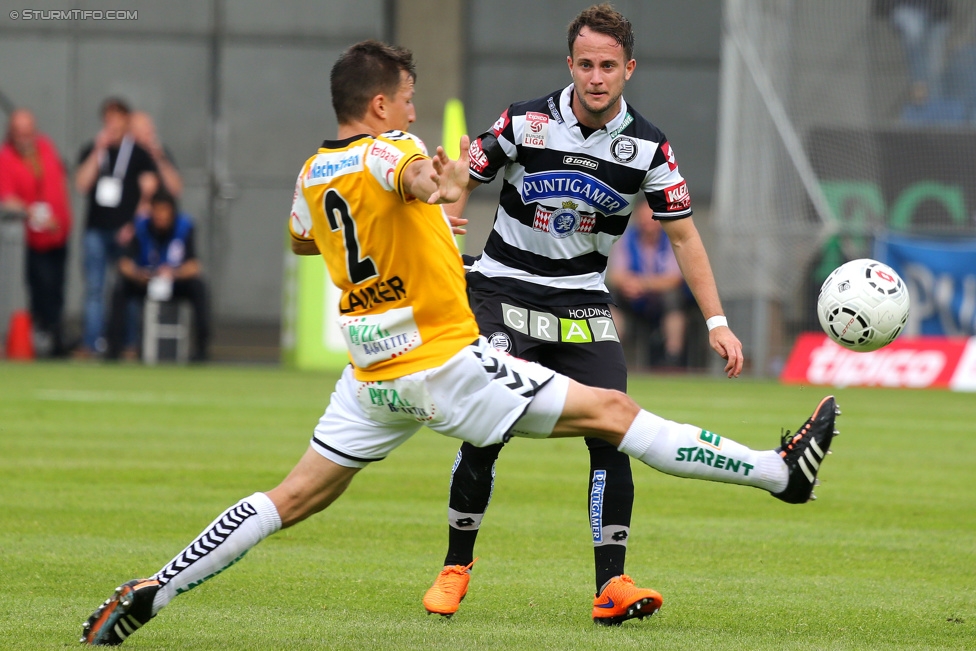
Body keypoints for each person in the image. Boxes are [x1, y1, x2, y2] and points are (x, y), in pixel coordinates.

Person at [80, 39, 838, 646]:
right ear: (380, 106)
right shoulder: (390, 151)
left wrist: (417, 221)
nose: (412, 107)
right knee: (614, 412)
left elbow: (306, 239)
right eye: (406, 98)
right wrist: (433, 187)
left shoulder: (314, 172)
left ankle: (158, 585)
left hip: (371, 371)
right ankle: (780, 473)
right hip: (442, 361)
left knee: (291, 495)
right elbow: (410, 173)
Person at [422, 4, 742, 625]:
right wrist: (449, 188)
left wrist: (717, 322)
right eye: (586, 64)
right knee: (488, 428)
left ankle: (611, 584)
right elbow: (465, 180)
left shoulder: (648, 145)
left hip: (581, 301)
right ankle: (456, 565)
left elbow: (684, 237)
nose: (597, 77)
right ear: (570, 65)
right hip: (502, 290)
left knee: (613, 430)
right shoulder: (525, 121)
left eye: (609, 66)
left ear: (629, 70)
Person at [74, 98, 158, 357]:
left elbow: (149, 190)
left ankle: (128, 344)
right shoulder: (94, 150)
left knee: (127, 288)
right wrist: (98, 152)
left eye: (117, 118)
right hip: (96, 229)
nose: (112, 124)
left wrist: (134, 224)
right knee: (95, 289)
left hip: (125, 231)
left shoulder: (138, 153)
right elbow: (82, 184)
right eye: (108, 118)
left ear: (126, 120)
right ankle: (92, 343)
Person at [105, 188, 209, 362]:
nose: (160, 216)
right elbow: (123, 264)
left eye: (165, 211)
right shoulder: (140, 226)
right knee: (120, 287)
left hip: (174, 283)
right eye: (157, 211)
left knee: (198, 287)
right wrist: (140, 275)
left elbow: (194, 266)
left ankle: (201, 350)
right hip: (146, 281)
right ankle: (114, 349)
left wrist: (173, 273)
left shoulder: (185, 227)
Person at [0, 109, 72, 357]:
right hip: (33, 238)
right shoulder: (7, 158)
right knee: (42, 288)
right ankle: (48, 338)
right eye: (20, 132)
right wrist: (37, 215)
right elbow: (8, 198)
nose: (25, 137)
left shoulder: (45, 147)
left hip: (59, 234)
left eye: (28, 132)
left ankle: (56, 335)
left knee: (58, 288)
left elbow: (57, 181)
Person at [608, 201, 689, 368]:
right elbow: (615, 275)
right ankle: (610, 355)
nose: (647, 224)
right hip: (633, 299)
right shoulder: (626, 239)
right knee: (611, 299)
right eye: (643, 219)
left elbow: (674, 279)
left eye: (651, 219)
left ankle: (672, 358)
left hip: (662, 301)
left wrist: (643, 284)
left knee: (674, 299)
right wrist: (629, 285)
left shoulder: (671, 241)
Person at [129, 111, 183, 217]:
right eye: (144, 127)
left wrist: (160, 159)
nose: (150, 130)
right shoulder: (126, 156)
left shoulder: (160, 154)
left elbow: (176, 189)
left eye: (150, 126)